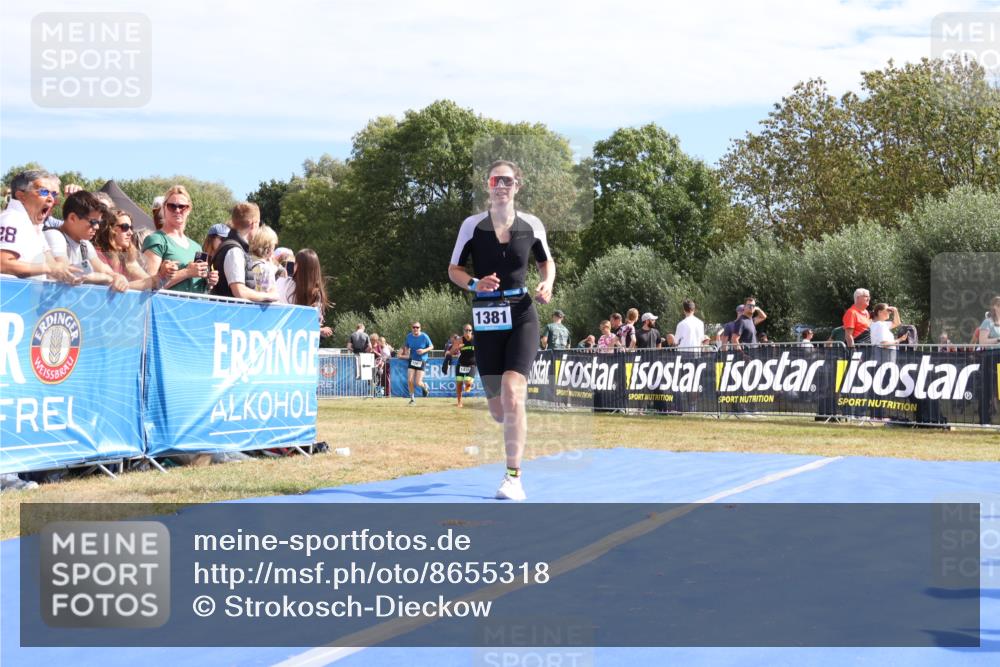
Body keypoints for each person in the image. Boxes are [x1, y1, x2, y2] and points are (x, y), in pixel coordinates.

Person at [448, 159, 554, 501]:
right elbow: (454, 269)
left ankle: (513, 476)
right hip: (486, 319)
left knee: (512, 392)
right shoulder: (471, 226)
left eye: (508, 180)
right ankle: (512, 420)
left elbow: (545, 261)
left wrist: (547, 283)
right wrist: (476, 284)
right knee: (498, 408)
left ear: (517, 186)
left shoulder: (532, 224)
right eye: (496, 180)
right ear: (488, 185)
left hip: (522, 312)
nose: (502, 186)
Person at [0, 169, 81, 283]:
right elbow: (2, 264)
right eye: (44, 192)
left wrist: (71, 274)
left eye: (53, 194)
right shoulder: (11, 219)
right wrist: (49, 268)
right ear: (21, 196)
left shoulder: (34, 226)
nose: (51, 198)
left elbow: (54, 267)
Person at [44, 191, 129, 292]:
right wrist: (108, 278)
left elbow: (106, 270)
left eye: (99, 222)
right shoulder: (54, 235)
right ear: (72, 218)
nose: (97, 227)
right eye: (93, 222)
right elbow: (68, 273)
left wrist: (119, 278)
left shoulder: (85, 244)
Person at [142, 185, 218, 293]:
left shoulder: (196, 246)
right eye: (172, 206)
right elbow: (147, 285)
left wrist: (209, 281)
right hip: (166, 308)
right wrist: (187, 272)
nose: (177, 210)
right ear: (164, 208)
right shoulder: (156, 240)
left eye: (182, 207)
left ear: (189, 210)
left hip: (193, 308)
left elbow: (198, 285)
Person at [93, 209, 177, 290]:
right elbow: (113, 287)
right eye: (125, 227)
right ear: (109, 229)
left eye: (131, 228)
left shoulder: (126, 256)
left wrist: (163, 275)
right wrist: (157, 278)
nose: (130, 233)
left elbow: (149, 282)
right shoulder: (97, 254)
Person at [211, 203, 275, 302]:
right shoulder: (234, 251)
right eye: (258, 224)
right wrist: (269, 296)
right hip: (229, 314)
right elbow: (240, 292)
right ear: (253, 224)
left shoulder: (233, 248)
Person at [276, 248, 333, 338]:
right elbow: (311, 323)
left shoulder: (281, 283)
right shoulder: (316, 293)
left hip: (280, 335)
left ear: (297, 266)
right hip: (302, 341)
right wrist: (320, 330)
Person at [403, 322, 433, 405]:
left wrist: (423, 350)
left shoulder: (424, 336)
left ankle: (424, 386)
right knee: (409, 380)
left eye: (417, 327)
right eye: (414, 327)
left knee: (418, 382)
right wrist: (406, 351)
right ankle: (412, 399)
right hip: (412, 360)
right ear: (411, 328)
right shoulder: (409, 336)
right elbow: (406, 346)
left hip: (421, 360)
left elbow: (431, 346)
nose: (415, 329)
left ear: (420, 328)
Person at [248, 224, 279, 295]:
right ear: (269, 248)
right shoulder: (266, 269)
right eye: (274, 245)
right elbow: (269, 294)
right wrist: (271, 272)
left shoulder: (247, 261)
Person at [454, 324, 476, 408]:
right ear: (463, 331)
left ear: (472, 331)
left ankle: (468, 385)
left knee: (468, 382)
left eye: (470, 330)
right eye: (466, 330)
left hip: (471, 365)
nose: (468, 332)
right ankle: (459, 402)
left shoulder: (475, 339)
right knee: (459, 384)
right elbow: (453, 350)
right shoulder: (460, 340)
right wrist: (458, 348)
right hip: (460, 365)